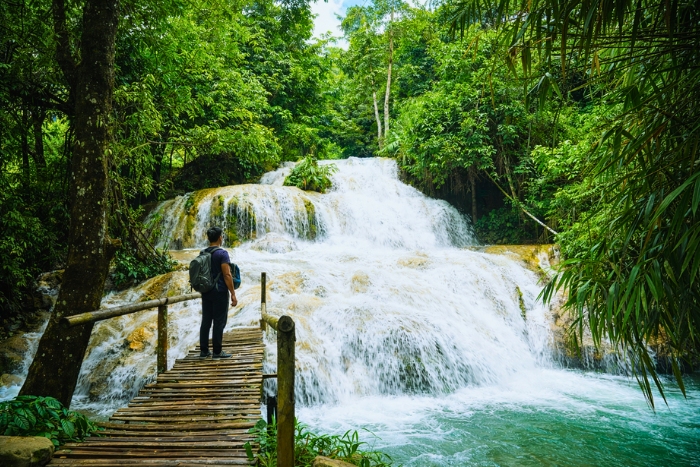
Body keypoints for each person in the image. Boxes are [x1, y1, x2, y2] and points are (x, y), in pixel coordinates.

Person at [199, 226, 238, 358]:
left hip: (206, 291)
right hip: (220, 291)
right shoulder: (222, 254)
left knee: (206, 321)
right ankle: (217, 352)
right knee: (219, 322)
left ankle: (204, 351)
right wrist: (233, 293)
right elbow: (227, 275)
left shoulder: (203, 253)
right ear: (220, 238)